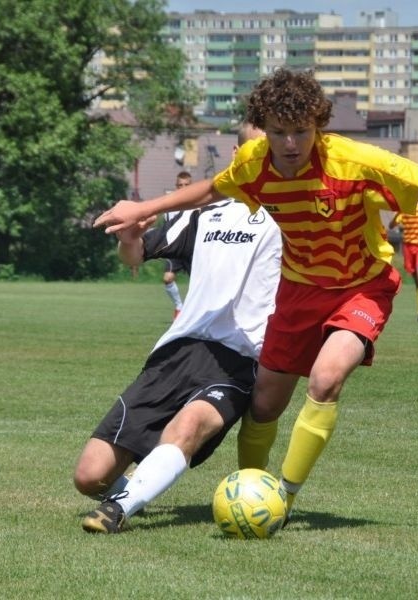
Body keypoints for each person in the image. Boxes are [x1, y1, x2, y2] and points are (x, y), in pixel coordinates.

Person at [94, 67, 418, 524]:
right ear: (264, 128)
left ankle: (283, 497)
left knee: (326, 379)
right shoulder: (253, 163)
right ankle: (252, 494)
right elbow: (208, 190)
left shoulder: (354, 159)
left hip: (362, 286)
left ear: (318, 125)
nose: (290, 144)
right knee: (265, 403)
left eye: (301, 132)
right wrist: (142, 208)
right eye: (279, 132)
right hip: (299, 289)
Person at [75, 124, 281, 533]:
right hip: (176, 350)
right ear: (238, 151)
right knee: (88, 476)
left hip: (238, 359)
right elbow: (135, 255)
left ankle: (118, 510)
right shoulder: (202, 212)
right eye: (254, 148)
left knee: (187, 427)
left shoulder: (292, 215)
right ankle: (136, 486)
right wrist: (130, 237)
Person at [161, 171, 193, 319]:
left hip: (194, 250)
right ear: (176, 187)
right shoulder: (170, 206)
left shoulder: (199, 204)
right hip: (175, 250)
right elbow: (166, 228)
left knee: (200, 284)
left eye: (186, 185)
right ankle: (179, 307)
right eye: (180, 185)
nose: (183, 187)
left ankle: (194, 313)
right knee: (167, 278)